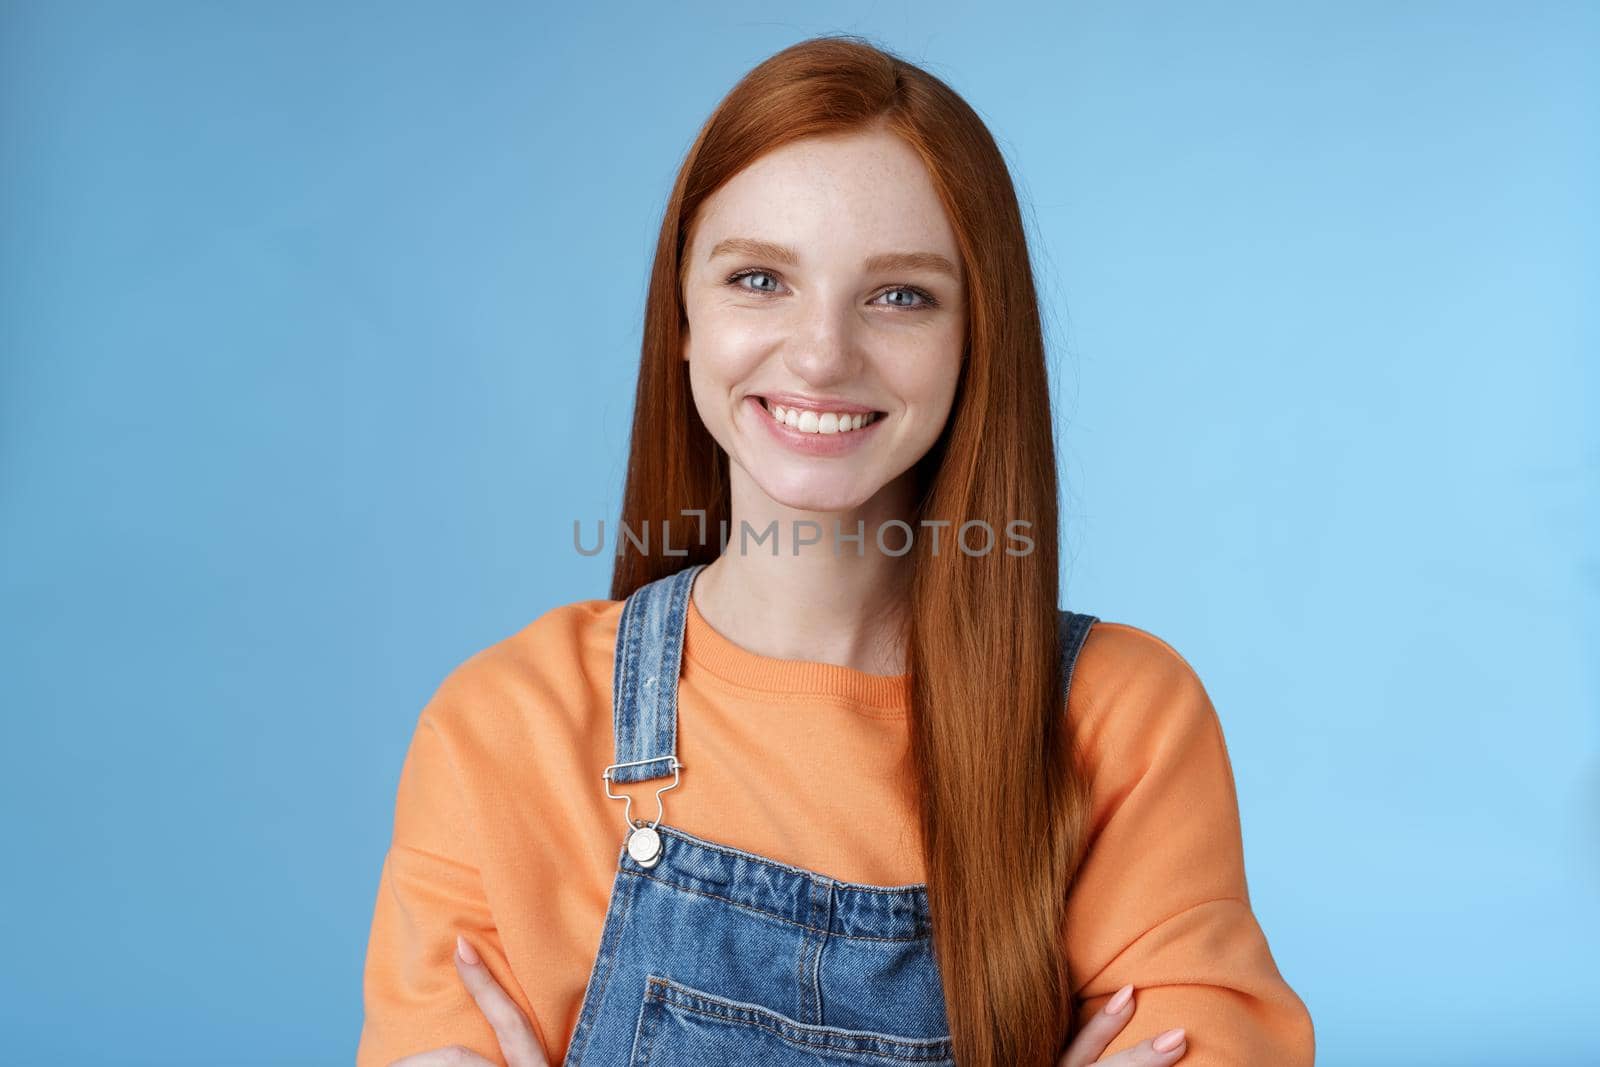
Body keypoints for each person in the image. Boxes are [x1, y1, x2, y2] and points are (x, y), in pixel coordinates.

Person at [356, 34, 1314, 1067]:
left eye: (900, 294)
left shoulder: (1119, 723)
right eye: (760, 278)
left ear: (973, 337)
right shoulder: (502, 729)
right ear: (681, 315)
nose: (820, 353)